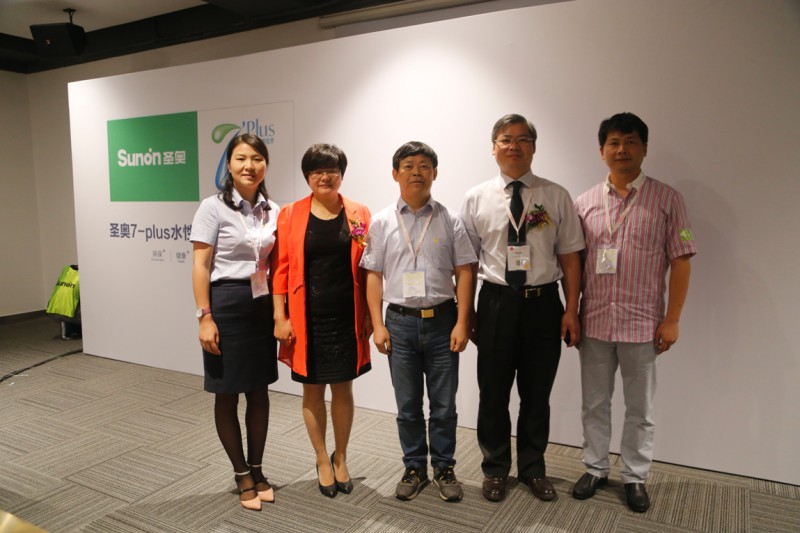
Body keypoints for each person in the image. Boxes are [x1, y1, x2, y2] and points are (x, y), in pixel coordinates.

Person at [572, 112, 696, 513]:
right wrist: (571, 311)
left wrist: (672, 319)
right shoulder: (584, 203)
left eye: (630, 142)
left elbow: (681, 260)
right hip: (594, 322)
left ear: (644, 148)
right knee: (594, 403)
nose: (621, 149)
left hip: (643, 325)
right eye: (613, 142)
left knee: (640, 408)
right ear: (601, 150)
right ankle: (595, 467)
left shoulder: (668, 200)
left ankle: (635, 476)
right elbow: (572, 264)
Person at [460, 114, 584, 503]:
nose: (513, 146)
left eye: (522, 139)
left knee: (536, 393)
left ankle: (533, 468)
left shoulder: (555, 195)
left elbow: (570, 258)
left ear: (533, 146)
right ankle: (495, 468)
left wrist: (571, 310)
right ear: (493, 147)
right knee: (493, 392)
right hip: (495, 302)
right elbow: (466, 263)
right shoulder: (476, 197)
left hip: (544, 304)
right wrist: (468, 314)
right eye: (505, 139)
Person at [361, 142, 477, 502]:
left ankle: (444, 467)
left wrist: (463, 321)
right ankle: (413, 466)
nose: (416, 172)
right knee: (408, 404)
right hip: (399, 323)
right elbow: (373, 275)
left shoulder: (450, 219)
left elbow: (465, 271)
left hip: (443, 321)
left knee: (444, 405)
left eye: (424, 166)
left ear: (435, 173)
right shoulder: (382, 221)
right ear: (395, 174)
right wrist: (377, 325)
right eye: (408, 166)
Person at [272, 143, 372, 499]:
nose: (325, 176)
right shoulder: (291, 214)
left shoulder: (358, 212)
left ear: (341, 174)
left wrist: (370, 315)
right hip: (307, 320)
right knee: (312, 390)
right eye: (317, 171)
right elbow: (280, 270)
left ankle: (340, 457)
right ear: (307, 176)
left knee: (343, 389)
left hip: (347, 316)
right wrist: (280, 316)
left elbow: (369, 268)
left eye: (332, 170)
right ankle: (321, 459)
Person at [190, 133, 279, 512]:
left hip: (261, 304)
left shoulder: (273, 210)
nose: (249, 166)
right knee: (226, 393)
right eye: (241, 158)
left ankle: (258, 469)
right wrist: (205, 316)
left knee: (259, 391)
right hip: (225, 303)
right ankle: (241, 473)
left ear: (265, 165)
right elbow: (200, 265)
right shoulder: (212, 208)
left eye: (257, 158)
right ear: (228, 164)